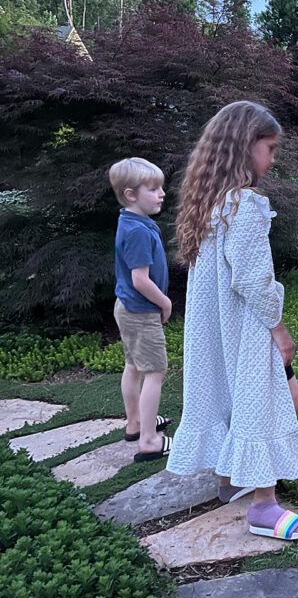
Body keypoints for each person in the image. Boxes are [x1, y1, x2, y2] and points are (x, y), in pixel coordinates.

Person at [167, 100, 298, 540]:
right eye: (269, 148)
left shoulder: (210, 204)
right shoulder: (245, 204)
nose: (272, 159)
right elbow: (253, 279)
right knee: (269, 401)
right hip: (247, 326)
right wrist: (279, 330)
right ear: (244, 146)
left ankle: (231, 479)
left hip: (214, 329)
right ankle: (264, 506)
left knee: (236, 396)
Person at [108, 157, 172, 462]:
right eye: (154, 188)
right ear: (131, 194)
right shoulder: (138, 232)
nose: (162, 193)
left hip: (128, 309)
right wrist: (165, 302)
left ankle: (136, 424)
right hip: (141, 311)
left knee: (134, 366)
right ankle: (148, 440)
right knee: (155, 372)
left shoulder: (132, 221)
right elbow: (140, 280)